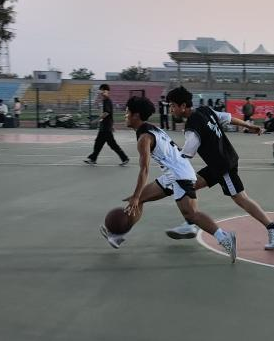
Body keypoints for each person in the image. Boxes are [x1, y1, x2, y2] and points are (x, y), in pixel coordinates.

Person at [99, 96, 237, 261]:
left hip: (179, 175)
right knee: (139, 199)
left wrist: (136, 195)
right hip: (174, 174)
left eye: (127, 112)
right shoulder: (153, 129)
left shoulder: (144, 138)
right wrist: (137, 196)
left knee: (191, 215)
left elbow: (144, 170)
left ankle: (225, 238)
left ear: (136, 115)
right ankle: (117, 236)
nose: (125, 115)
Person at [165, 87, 274, 250]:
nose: (171, 110)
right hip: (221, 162)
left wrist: (169, 157)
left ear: (183, 106)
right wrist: (249, 126)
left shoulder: (192, 126)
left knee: (240, 198)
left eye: (173, 106)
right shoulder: (205, 110)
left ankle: (273, 227)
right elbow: (227, 118)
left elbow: (187, 153)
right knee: (191, 185)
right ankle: (190, 222)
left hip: (223, 166)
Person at [84, 84, 129, 166]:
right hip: (104, 126)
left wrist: (96, 120)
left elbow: (106, 113)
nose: (101, 92)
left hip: (106, 127)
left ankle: (124, 158)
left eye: (103, 90)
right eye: (101, 90)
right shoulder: (105, 101)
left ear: (107, 91)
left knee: (111, 144)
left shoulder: (107, 101)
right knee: (99, 143)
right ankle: (93, 159)